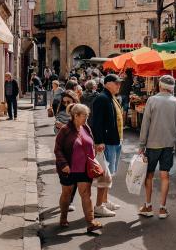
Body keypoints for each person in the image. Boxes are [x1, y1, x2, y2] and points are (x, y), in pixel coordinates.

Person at [138, 75, 176, 219]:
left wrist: (141, 145)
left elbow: (145, 125)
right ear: (171, 88)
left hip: (152, 144)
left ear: (160, 86)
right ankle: (162, 209)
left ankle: (148, 206)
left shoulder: (152, 100)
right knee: (165, 176)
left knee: (149, 175)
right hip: (168, 144)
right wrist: (175, 136)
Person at [54, 103, 102, 233]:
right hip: (68, 169)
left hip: (84, 168)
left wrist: (95, 149)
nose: (86, 118)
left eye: (87, 115)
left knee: (86, 194)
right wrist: (64, 164)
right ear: (76, 116)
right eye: (84, 116)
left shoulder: (86, 127)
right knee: (67, 194)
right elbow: (58, 149)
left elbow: (90, 143)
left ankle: (91, 222)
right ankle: (63, 218)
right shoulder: (65, 130)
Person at [91, 74, 123, 217]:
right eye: (116, 83)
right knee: (105, 175)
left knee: (110, 174)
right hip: (107, 142)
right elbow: (96, 122)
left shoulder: (110, 97)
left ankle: (104, 201)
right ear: (108, 83)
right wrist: (99, 141)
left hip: (114, 141)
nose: (118, 86)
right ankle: (99, 206)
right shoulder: (102, 98)